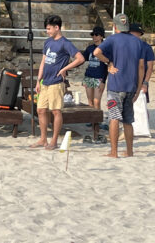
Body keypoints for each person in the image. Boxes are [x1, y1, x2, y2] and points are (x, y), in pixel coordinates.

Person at [93, 13, 144, 158]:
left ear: (115, 26)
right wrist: (139, 87)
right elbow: (141, 67)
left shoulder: (113, 39)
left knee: (114, 118)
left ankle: (114, 152)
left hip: (116, 85)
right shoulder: (138, 42)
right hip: (131, 86)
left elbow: (97, 52)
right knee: (128, 120)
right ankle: (129, 151)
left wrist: (109, 62)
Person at [31, 15, 85, 150]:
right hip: (45, 82)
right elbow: (43, 62)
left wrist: (65, 68)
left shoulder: (65, 43)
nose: (47, 31)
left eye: (49, 29)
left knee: (56, 111)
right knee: (41, 110)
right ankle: (43, 139)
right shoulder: (48, 42)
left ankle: (54, 141)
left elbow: (80, 58)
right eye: (46, 29)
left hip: (56, 82)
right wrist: (38, 81)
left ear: (57, 27)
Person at [82, 26, 108, 143]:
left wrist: (103, 81)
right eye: (93, 35)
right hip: (89, 76)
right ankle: (92, 120)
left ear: (102, 36)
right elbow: (82, 59)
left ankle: (98, 122)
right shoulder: (89, 48)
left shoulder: (106, 48)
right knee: (90, 101)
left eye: (96, 35)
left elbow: (108, 66)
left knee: (97, 101)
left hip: (99, 77)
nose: (94, 37)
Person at [129, 23, 155, 103]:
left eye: (138, 33)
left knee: (140, 106)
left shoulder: (146, 47)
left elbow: (150, 67)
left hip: (141, 80)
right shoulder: (125, 45)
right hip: (127, 80)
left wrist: (145, 83)